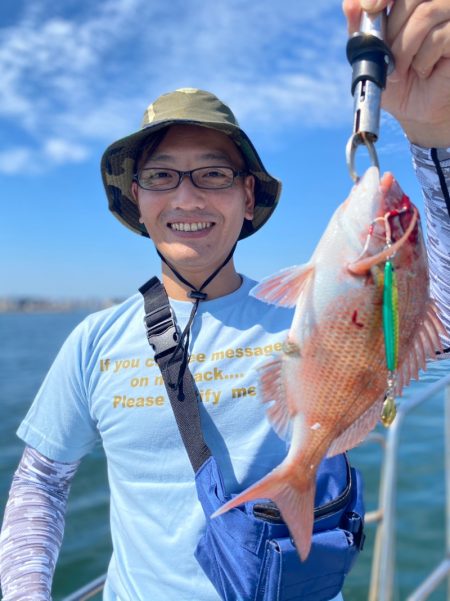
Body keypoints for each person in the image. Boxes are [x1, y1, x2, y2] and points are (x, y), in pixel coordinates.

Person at [1, 0, 450, 599]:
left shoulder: (298, 313)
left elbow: (433, 315)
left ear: (247, 197)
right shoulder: (93, 341)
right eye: (162, 176)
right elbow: (41, 484)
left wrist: (434, 136)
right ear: (138, 199)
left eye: (212, 175)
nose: (186, 198)